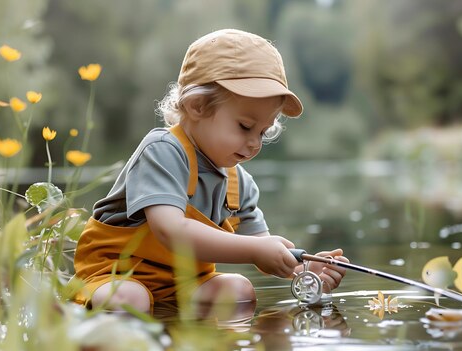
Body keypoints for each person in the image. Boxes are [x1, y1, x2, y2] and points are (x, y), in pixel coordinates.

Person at [72, 28, 348, 314]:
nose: (254, 144)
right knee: (129, 299)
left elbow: (262, 249)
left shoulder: (239, 184)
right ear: (197, 106)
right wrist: (255, 251)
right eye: (244, 126)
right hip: (113, 274)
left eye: (263, 133)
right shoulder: (163, 150)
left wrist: (304, 266)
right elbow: (171, 231)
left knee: (239, 291)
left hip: (185, 282)